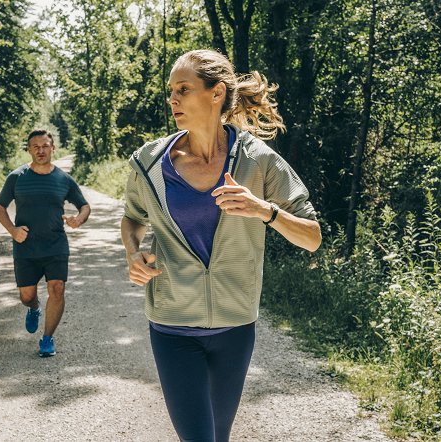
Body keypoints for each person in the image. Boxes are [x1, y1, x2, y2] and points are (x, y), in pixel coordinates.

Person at [120, 49, 322, 441]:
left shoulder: (258, 160)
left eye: (183, 89)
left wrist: (265, 210)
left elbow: (312, 237)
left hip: (235, 324)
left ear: (216, 94)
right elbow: (132, 218)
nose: (172, 99)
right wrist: (133, 252)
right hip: (173, 325)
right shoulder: (149, 162)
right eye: (170, 91)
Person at [0, 129, 90, 357]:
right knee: (26, 296)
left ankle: (47, 338)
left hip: (55, 245)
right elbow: (0, 207)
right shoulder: (17, 177)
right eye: (35, 146)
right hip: (25, 247)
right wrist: (12, 230)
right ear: (29, 149)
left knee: (57, 289)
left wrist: (78, 219)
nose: (40, 150)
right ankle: (34, 308)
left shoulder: (63, 179)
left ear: (53, 148)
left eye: (45, 145)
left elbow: (84, 206)